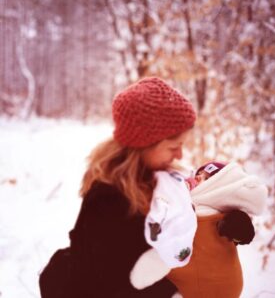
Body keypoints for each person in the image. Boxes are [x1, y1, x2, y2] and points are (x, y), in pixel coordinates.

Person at [39, 76, 197, 298]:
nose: (180, 155)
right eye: (173, 147)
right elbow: (106, 282)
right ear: (145, 144)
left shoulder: (167, 181)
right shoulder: (107, 199)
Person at [130, 160, 268, 297]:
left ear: (218, 188)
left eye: (206, 178)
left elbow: (172, 247)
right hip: (201, 285)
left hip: (210, 286)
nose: (198, 177)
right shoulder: (187, 201)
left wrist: (240, 229)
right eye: (199, 173)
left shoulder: (211, 215)